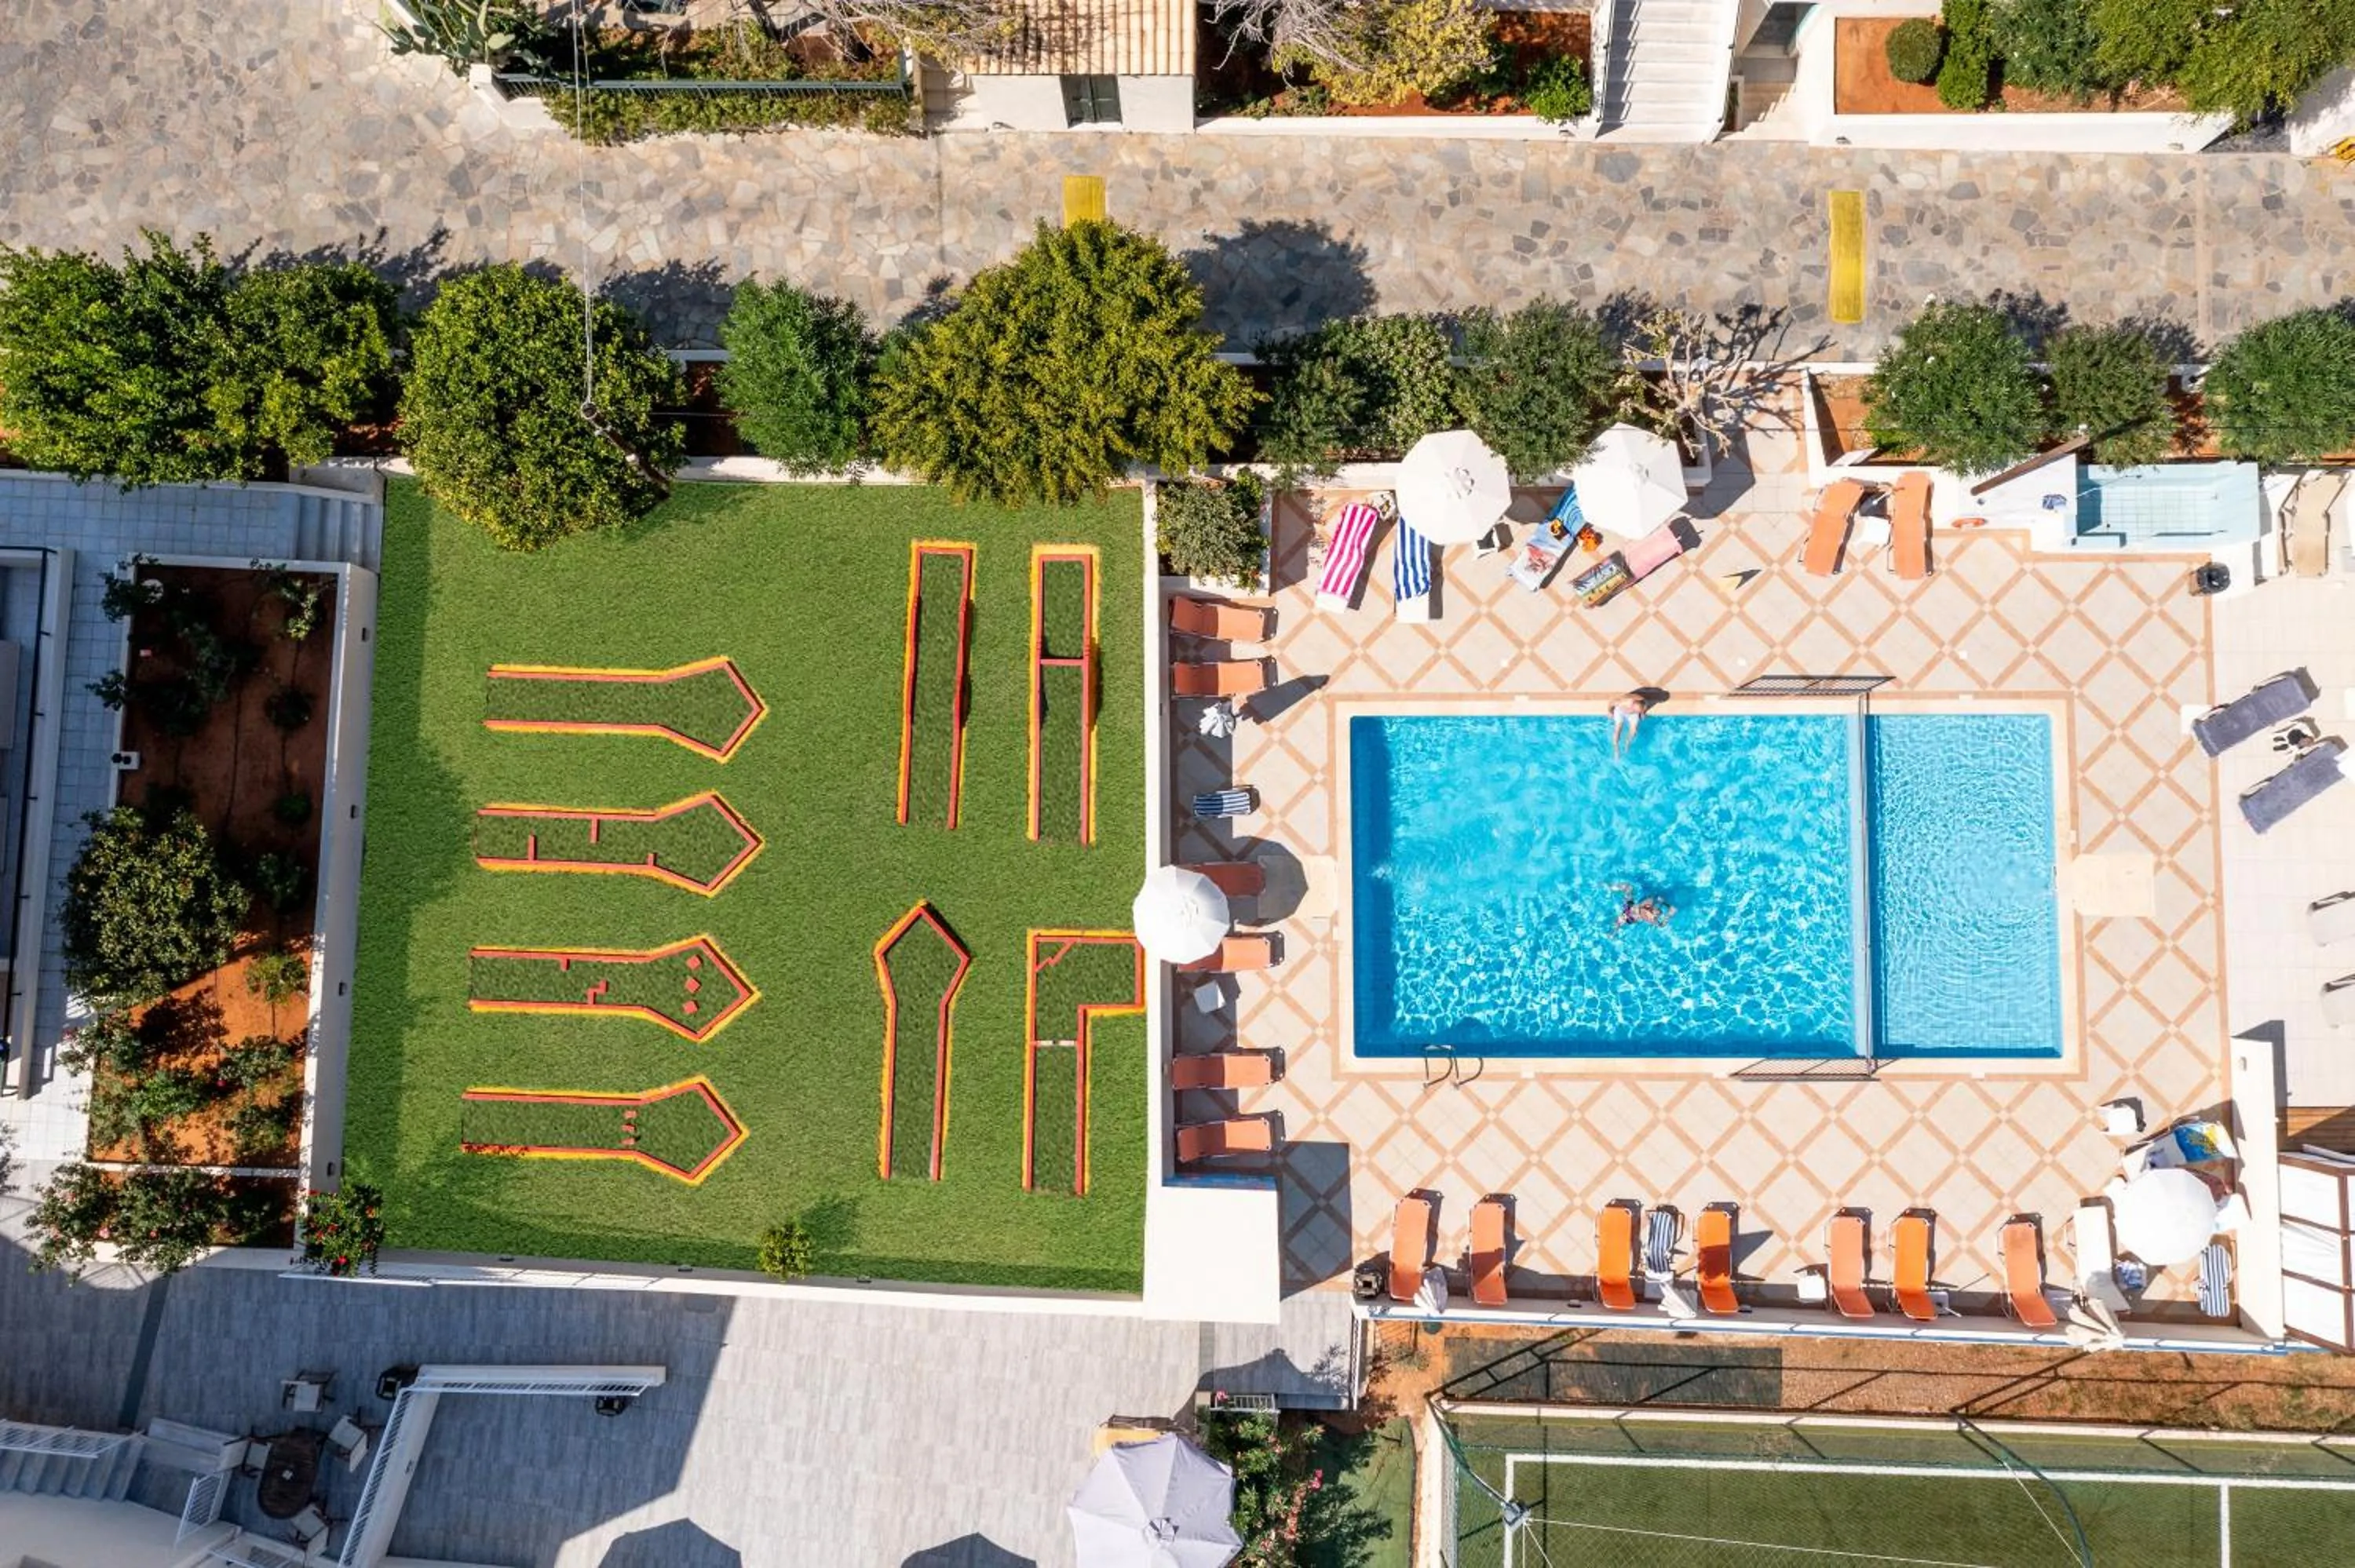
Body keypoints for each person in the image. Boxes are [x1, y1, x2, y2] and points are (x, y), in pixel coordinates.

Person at [1610, 881, 1674, 932]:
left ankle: (1610, 887)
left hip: (1632, 909)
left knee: (1628, 889)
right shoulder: (1649, 915)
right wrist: (1668, 914)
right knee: (1628, 890)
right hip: (1634, 910)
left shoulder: (1648, 916)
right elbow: (1661, 925)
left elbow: (1661, 925)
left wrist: (1668, 913)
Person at [1609, 691, 1652, 758]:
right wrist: (1610, 712)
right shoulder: (1624, 702)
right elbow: (1611, 703)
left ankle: (1627, 744)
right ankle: (1616, 749)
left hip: (1632, 713)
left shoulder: (1638, 706)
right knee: (1618, 728)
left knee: (1633, 730)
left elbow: (1644, 703)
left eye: (1638, 712)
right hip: (1621, 712)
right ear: (1631, 705)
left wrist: (1643, 713)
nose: (1637, 713)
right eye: (1637, 711)